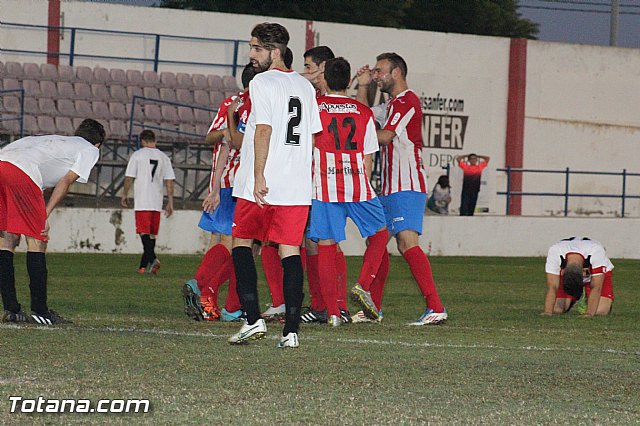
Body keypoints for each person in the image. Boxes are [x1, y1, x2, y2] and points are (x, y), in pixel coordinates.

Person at [228, 22, 322, 348]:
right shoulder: (306, 87)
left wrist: (257, 175)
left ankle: (253, 319)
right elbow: (309, 134)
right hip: (295, 185)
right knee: (290, 250)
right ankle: (291, 331)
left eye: (256, 48)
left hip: (262, 182)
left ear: (275, 51)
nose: (251, 54)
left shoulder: (261, 82)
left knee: (240, 242)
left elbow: (264, 130)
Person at [355, 52, 447, 325]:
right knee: (378, 243)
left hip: (407, 183)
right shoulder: (391, 104)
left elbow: (383, 136)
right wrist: (362, 86)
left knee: (407, 242)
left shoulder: (408, 101)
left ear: (397, 73)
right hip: (389, 186)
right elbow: (363, 118)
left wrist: (357, 136)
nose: (376, 75)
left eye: (380, 71)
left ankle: (436, 306)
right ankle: (374, 309)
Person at [308, 57, 388, 327]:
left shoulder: (315, 107)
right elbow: (368, 157)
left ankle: (332, 312)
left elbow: (309, 146)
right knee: (380, 233)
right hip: (357, 183)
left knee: (326, 246)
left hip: (324, 185)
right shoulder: (363, 111)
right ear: (348, 80)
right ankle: (363, 285)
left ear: (326, 79)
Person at [0, 118, 105, 324]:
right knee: (37, 240)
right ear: (98, 143)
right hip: (22, 172)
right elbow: (65, 182)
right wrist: (44, 214)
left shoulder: (56, 141)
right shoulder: (90, 149)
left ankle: (11, 309)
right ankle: (40, 311)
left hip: (3, 162)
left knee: (6, 239)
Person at [181, 64, 258, 323]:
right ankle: (206, 290)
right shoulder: (254, 104)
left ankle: (215, 298)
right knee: (239, 246)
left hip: (225, 182)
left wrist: (214, 188)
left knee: (224, 242)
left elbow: (213, 139)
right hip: (242, 184)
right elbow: (223, 140)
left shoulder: (230, 102)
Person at [300, 45, 351, 324]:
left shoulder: (326, 103)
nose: (304, 72)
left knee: (329, 242)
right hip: (308, 181)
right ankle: (320, 304)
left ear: (322, 69)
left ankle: (337, 305)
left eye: (308, 67)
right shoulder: (312, 99)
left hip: (329, 182)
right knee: (311, 242)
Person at [121, 130, 175, 274]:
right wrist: (170, 202)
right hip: (157, 200)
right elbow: (169, 182)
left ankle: (153, 259)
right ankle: (143, 267)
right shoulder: (164, 157)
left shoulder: (137, 155)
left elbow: (129, 178)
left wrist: (124, 194)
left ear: (142, 141)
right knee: (151, 234)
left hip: (142, 199)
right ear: (154, 140)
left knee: (143, 233)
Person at [543, 237, 614, 317]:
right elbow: (553, 286)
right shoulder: (554, 251)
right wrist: (548, 312)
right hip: (571, 275)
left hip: (597, 275)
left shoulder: (596, 250)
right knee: (557, 309)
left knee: (601, 311)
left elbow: (597, 286)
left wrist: (589, 314)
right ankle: (575, 297)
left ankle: (585, 297)